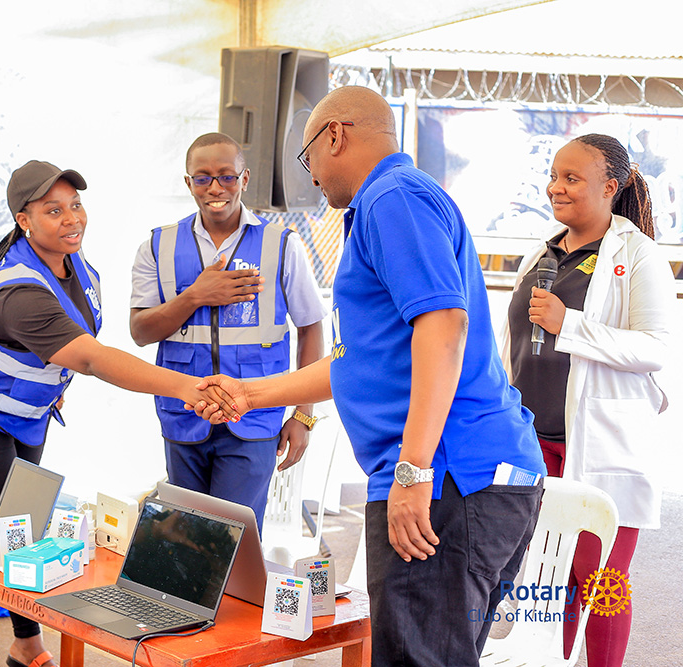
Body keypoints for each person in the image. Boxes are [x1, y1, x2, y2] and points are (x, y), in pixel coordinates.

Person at [191, 86, 547, 666]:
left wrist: (413, 471)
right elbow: (364, 361)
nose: (311, 178)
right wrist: (251, 394)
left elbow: (444, 326)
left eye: (309, 160)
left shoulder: (391, 199)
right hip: (468, 476)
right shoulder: (394, 202)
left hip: (448, 477)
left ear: (336, 135)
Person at [0, 160, 233, 667]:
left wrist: (50, 380)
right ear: (23, 220)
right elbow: (88, 355)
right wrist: (188, 388)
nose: (72, 219)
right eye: (53, 211)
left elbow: (67, 345)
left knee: (24, 522)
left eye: (76, 205)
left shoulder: (74, 263)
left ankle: (25, 645)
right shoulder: (20, 290)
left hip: (25, 408)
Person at [501, 134, 676, 667]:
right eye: (554, 176)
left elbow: (656, 348)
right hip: (534, 444)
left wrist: (568, 325)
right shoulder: (545, 251)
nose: (556, 187)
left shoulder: (638, 255)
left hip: (602, 447)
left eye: (572, 178)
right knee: (550, 581)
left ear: (611, 186)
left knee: (602, 582)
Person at [129, 132, 326, 532]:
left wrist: (303, 417)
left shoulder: (283, 245)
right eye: (202, 178)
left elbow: (311, 330)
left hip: (254, 419)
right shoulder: (157, 245)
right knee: (185, 539)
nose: (215, 188)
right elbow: (140, 331)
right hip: (184, 415)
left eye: (226, 176)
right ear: (188, 183)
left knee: (232, 540)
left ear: (245, 179)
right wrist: (196, 296)